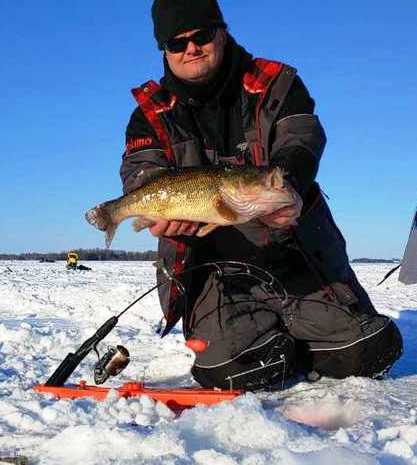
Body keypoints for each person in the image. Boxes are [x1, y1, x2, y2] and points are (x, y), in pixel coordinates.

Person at [120, 0, 403, 390]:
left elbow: (301, 138)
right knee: (231, 372)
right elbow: (141, 171)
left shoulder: (275, 82)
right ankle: (254, 334)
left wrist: (290, 188)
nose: (191, 48)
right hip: (213, 269)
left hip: (293, 251)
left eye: (202, 35)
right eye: (177, 43)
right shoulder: (150, 114)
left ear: (222, 32)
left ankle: (305, 329)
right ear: (164, 51)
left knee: (369, 350)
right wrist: (159, 209)